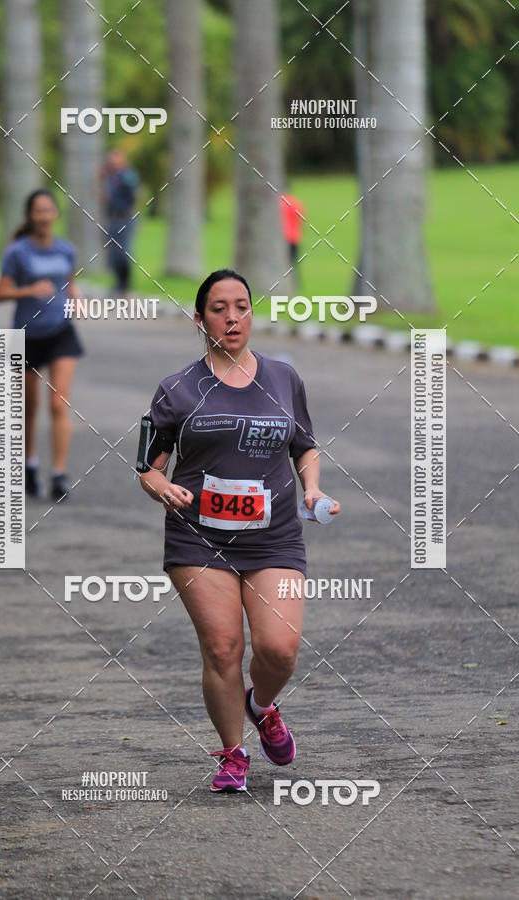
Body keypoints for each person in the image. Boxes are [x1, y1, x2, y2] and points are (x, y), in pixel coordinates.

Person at [137, 269, 340, 793]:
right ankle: (232, 753)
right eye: (219, 309)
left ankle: (262, 706)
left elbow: (304, 446)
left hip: (273, 536)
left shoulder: (283, 378)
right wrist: (162, 487)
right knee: (223, 647)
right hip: (198, 537)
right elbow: (149, 467)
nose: (232, 318)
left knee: (280, 649)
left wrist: (312, 489)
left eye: (242, 307)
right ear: (199, 319)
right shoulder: (177, 389)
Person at [0, 189, 83, 501]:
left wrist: (76, 299)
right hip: (25, 335)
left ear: (55, 214)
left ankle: (59, 473)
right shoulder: (17, 252)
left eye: (49, 210)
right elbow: (0, 293)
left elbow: (69, 282)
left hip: (60, 332)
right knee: (28, 407)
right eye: (38, 211)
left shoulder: (66, 249)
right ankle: (29, 464)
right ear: (30, 216)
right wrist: (29, 290)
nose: (44, 216)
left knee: (58, 404)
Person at [100, 149, 139, 292]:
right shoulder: (109, 178)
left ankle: (125, 284)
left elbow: (133, 189)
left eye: (114, 160)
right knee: (113, 253)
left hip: (125, 218)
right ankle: (118, 283)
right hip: (112, 218)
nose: (111, 163)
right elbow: (103, 197)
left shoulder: (128, 175)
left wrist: (117, 175)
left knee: (124, 252)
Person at [280, 191, 305, 286]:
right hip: (295, 237)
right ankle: (295, 283)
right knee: (293, 263)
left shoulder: (279, 203)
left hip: (283, 238)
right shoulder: (295, 202)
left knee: (284, 263)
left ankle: (286, 283)